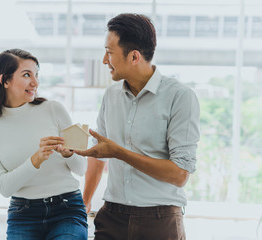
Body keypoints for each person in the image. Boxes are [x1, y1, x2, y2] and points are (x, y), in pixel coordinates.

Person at [74, 13, 200, 240]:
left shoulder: (180, 97)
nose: (104, 60)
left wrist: (119, 153)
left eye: (109, 52)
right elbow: (100, 152)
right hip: (111, 216)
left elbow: (180, 174)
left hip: (159, 220)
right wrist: (85, 202)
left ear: (134, 56)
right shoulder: (111, 96)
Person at [0, 49, 88, 240]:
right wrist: (36, 159)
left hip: (67, 208)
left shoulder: (53, 109)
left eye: (36, 74)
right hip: (23, 214)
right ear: (5, 80)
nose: (35, 82)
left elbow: (81, 169)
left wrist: (70, 154)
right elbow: (4, 187)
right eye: (27, 75)